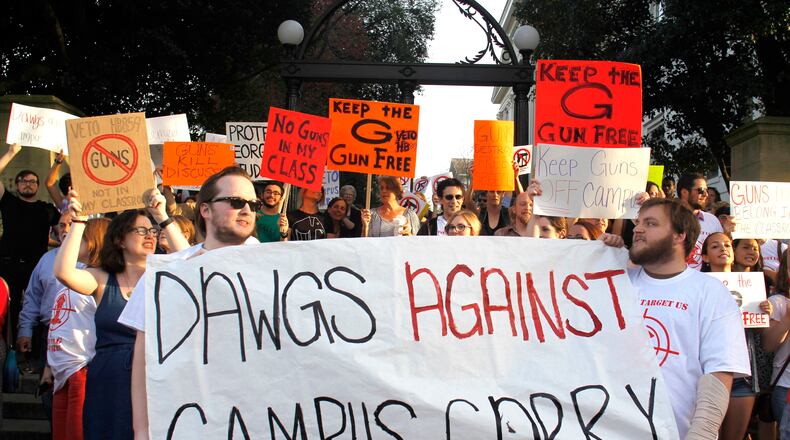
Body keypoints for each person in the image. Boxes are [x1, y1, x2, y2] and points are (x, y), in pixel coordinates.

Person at [117, 166, 260, 438]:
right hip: (191, 420)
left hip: (259, 421)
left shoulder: (276, 269)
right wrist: (142, 428)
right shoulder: (167, 273)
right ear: (205, 210)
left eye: (253, 204)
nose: (247, 210)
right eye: (235, 202)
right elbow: (142, 357)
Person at [53, 188, 188, 440]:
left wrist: (162, 216)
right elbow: (63, 271)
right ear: (119, 240)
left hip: (154, 378)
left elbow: (194, 264)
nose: (149, 236)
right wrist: (79, 222)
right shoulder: (103, 279)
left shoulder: (165, 277)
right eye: (140, 230)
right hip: (109, 380)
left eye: (152, 231)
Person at [627, 197, 750, 439]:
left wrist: (702, 434)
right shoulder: (616, 280)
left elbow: (718, 372)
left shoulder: (710, 292)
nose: (638, 229)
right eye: (638, 222)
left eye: (650, 223)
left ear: (679, 235)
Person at [700, 232, 772, 440]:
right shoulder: (696, 285)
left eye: (727, 245)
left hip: (743, 375)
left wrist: (764, 313)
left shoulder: (752, 287)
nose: (723, 249)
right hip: (707, 373)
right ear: (704, 257)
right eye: (715, 246)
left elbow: (759, 335)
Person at [49, 217, 110, 440]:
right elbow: (59, 320)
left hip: (83, 368)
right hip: (60, 371)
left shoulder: (100, 279)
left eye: (80, 237)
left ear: (94, 242)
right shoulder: (78, 272)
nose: (72, 240)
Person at [0, 143, 60, 343]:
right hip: (8, 264)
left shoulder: (47, 210)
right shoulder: (8, 202)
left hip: (37, 265)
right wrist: (11, 153)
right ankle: (9, 348)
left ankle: (34, 352)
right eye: (23, 181)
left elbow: (65, 228)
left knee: (38, 307)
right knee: (9, 308)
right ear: (17, 185)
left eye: (33, 181)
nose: (28, 184)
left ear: (37, 185)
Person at [676, 173, 723, 270]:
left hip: (705, 279)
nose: (706, 194)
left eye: (706, 190)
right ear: (684, 192)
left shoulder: (713, 220)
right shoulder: (668, 218)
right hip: (675, 279)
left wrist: (728, 233)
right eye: (701, 190)